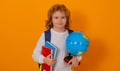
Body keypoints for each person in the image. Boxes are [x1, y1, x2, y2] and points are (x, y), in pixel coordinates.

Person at [32, 4, 82, 71]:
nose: (60, 21)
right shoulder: (46, 35)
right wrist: (44, 59)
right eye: (56, 18)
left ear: (67, 19)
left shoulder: (72, 35)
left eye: (63, 17)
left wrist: (77, 60)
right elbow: (35, 54)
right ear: (51, 19)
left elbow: (78, 52)